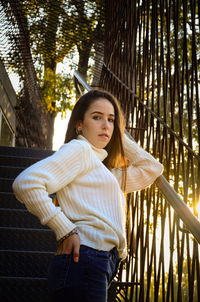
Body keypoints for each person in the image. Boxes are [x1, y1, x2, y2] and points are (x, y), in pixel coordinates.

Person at [12, 89, 163, 302]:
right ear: (79, 124)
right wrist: (65, 230)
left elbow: (152, 168)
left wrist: (118, 134)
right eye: (97, 117)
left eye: (111, 120)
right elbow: (26, 183)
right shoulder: (80, 150)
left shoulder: (101, 171)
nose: (106, 125)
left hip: (99, 262)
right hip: (86, 259)